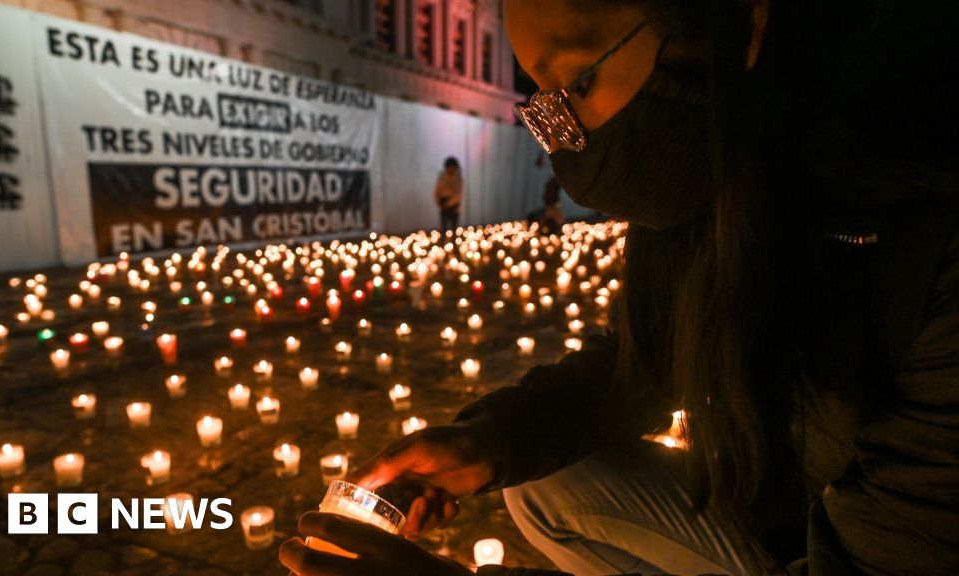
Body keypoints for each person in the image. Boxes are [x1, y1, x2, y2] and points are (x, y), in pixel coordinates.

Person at [280, 1, 959, 575]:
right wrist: (490, 440)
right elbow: (648, 362)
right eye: (543, 103)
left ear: (743, 25)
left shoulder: (932, 237)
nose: (566, 138)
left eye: (578, 81)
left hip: (875, 545)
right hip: (787, 506)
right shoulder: (721, 183)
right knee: (540, 482)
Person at [435, 157, 463, 231]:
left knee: (454, 228)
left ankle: (453, 241)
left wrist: (449, 204)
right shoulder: (442, 177)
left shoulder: (458, 178)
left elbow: (458, 193)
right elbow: (437, 191)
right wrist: (439, 203)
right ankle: (444, 241)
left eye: (453, 167)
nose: (451, 169)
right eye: (449, 167)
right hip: (443, 205)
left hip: (454, 206)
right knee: (444, 228)